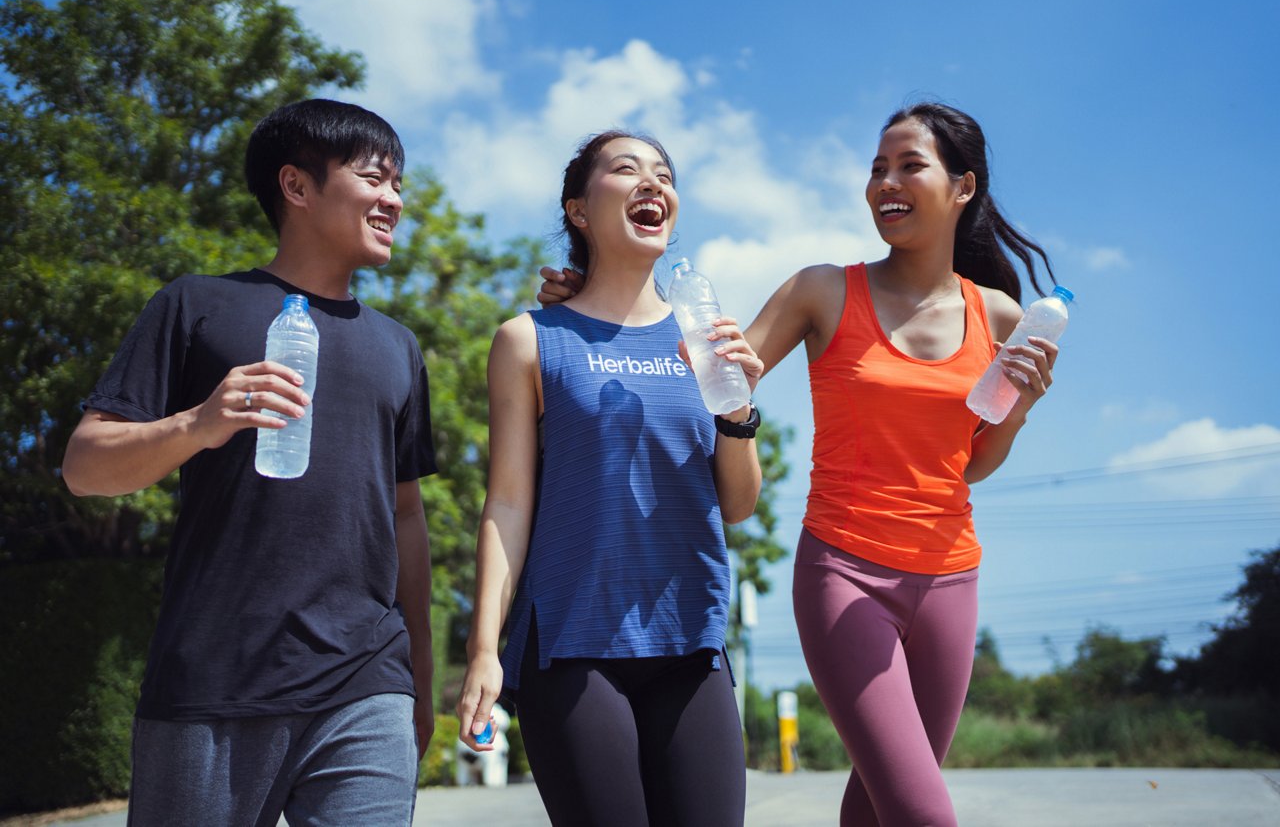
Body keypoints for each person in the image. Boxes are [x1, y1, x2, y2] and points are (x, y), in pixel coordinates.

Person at [539, 102, 1061, 826]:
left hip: (951, 578)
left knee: (878, 806)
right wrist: (592, 305)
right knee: (923, 814)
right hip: (845, 574)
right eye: (878, 168)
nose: (886, 182)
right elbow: (715, 376)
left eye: (910, 165)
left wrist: (1022, 405)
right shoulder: (824, 289)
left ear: (963, 186)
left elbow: (969, 467)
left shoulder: (1001, 316)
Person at [62, 99, 437, 826]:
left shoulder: (399, 347)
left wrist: (418, 671)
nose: (394, 199)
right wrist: (198, 423)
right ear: (297, 187)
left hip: (367, 677)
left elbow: (407, 516)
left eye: (399, 184)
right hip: (213, 677)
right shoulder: (196, 306)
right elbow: (85, 466)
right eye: (374, 178)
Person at [456, 130, 764, 827]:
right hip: (571, 643)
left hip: (691, 641)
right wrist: (483, 651)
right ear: (578, 210)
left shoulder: (707, 341)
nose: (653, 183)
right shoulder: (530, 339)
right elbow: (506, 501)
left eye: (665, 174)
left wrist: (739, 409)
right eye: (627, 171)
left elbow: (738, 505)